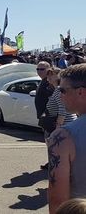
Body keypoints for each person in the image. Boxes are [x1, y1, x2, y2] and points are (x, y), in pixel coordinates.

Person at [47, 64, 86, 213]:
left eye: (62, 90)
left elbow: (58, 200)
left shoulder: (63, 136)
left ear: (81, 92)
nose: (60, 95)